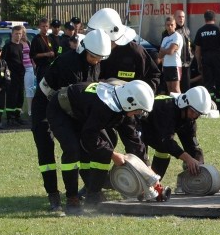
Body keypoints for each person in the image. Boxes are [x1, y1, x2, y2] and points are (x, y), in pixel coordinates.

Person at [32, 29, 110, 213]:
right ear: (85, 50)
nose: (97, 61)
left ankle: (90, 190)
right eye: (94, 57)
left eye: (100, 58)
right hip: (47, 105)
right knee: (47, 149)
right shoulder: (69, 64)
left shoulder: (95, 63)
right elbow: (69, 99)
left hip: (71, 108)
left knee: (82, 147)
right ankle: (54, 195)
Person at [47, 80, 154, 214]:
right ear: (129, 101)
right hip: (61, 110)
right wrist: (113, 155)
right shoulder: (104, 106)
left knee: (104, 149)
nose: (136, 114)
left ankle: (93, 196)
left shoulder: (123, 106)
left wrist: (147, 168)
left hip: (82, 113)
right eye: (137, 110)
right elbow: (89, 138)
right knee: (72, 150)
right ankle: (72, 198)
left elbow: (133, 139)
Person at [138, 86, 210, 180]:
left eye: (198, 114)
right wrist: (188, 159)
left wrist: (199, 164)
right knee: (140, 156)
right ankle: (120, 181)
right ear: (184, 104)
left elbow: (192, 146)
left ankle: (153, 182)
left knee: (163, 152)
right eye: (193, 112)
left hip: (157, 133)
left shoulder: (190, 119)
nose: (194, 116)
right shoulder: (167, 109)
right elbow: (166, 141)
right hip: (139, 126)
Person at [194, 10, 220, 112]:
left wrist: (199, 63)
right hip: (219, 59)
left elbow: (197, 50)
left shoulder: (200, 31)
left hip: (206, 59)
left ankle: (211, 104)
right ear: (214, 19)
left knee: (209, 82)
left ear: (205, 19)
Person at [2, 25, 26, 126]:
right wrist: (4, 75)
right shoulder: (8, 46)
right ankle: (10, 117)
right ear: (12, 34)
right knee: (12, 97)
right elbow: (3, 62)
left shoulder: (21, 46)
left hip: (20, 75)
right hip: (11, 76)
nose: (18, 36)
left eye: (20, 33)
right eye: (16, 33)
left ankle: (17, 116)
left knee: (20, 96)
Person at [158, 16, 183, 94]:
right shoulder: (165, 39)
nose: (170, 27)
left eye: (172, 25)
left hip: (174, 65)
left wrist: (163, 50)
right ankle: (172, 105)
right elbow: (160, 55)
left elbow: (170, 52)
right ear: (165, 26)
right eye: (168, 25)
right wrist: (166, 51)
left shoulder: (177, 36)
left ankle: (180, 105)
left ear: (175, 25)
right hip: (166, 66)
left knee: (175, 89)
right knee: (169, 89)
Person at [30, 17, 57, 82]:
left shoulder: (50, 38)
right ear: (39, 26)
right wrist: (45, 54)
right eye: (43, 26)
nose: (45, 28)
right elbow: (32, 55)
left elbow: (56, 50)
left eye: (46, 26)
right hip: (41, 68)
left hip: (51, 67)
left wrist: (54, 53)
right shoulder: (36, 39)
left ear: (49, 27)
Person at [22, 29, 35, 116]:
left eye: (23, 33)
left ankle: (30, 109)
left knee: (29, 88)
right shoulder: (16, 44)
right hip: (20, 68)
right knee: (20, 89)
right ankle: (20, 108)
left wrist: (34, 64)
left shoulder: (28, 42)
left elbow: (31, 55)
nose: (21, 34)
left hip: (29, 67)